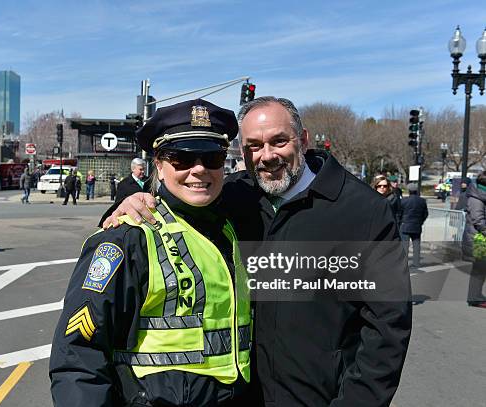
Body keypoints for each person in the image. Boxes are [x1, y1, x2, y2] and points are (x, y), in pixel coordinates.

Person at [105, 96, 412, 406]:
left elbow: (387, 329)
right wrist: (136, 203)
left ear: (303, 140)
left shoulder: (363, 211)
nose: (266, 156)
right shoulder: (232, 196)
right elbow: (180, 201)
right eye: (253, 146)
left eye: (279, 141)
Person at [50, 99, 252, 406]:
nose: (199, 169)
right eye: (181, 158)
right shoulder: (127, 238)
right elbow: (78, 358)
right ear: (158, 163)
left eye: (211, 157)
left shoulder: (238, 225)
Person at [462, 171, 486, 308]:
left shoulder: (480, 195)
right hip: (478, 239)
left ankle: (475, 295)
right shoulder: (476, 198)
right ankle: (474, 297)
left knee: (480, 269)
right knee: (479, 269)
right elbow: (478, 220)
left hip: (478, 238)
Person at [399, 183, 428, 268]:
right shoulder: (422, 201)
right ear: (416, 191)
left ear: (409, 191)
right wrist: (421, 221)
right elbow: (425, 213)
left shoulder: (404, 201)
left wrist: (401, 221)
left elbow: (400, 213)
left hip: (405, 225)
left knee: (405, 245)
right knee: (416, 245)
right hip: (416, 226)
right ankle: (416, 263)